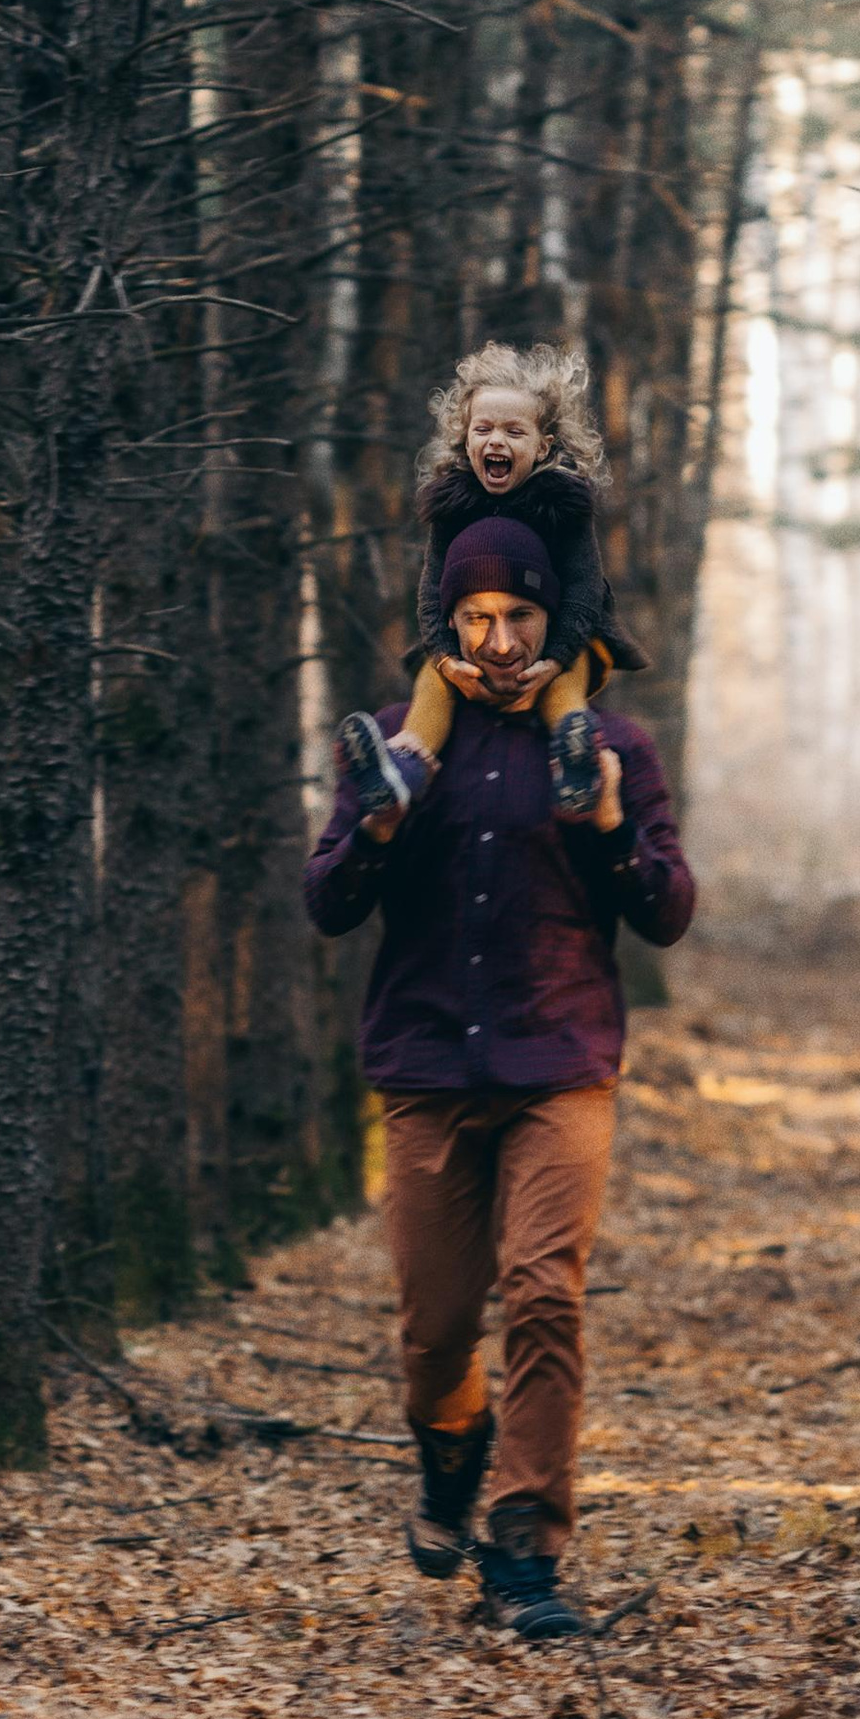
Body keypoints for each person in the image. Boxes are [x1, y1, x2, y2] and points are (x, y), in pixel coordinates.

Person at [305, 513, 696, 1640]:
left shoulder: (609, 743)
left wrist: (611, 823)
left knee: (544, 1294)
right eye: (476, 616)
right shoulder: (395, 742)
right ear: (449, 623)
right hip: (426, 1064)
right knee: (434, 1331)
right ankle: (451, 1450)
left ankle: (525, 1551)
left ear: (551, 619)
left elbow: (668, 911)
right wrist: (376, 829)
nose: (499, 638)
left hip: (557, 1062)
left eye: (519, 614)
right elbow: (327, 903)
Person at [334, 343, 647, 824]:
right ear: (466, 440)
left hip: (567, 637)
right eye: (483, 429)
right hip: (470, 642)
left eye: (513, 431)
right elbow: (431, 591)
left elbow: (585, 590)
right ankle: (401, 771)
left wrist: (555, 658)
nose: (496, 440)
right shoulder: (452, 505)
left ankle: (576, 763)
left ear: (542, 446)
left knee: (565, 686)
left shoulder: (563, 505)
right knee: (432, 684)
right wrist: (446, 658)